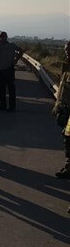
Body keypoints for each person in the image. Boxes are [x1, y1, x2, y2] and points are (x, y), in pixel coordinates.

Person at [0, 31, 24, 111]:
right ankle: (4, 106)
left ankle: (11, 107)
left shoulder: (12, 45)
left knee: (11, 89)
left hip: (9, 69)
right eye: (1, 37)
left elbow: (21, 50)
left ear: (6, 37)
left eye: (3, 37)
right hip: (1, 70)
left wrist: (16, 59)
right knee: (2, 89)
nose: (2, 38)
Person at [52, 40, 70, 179]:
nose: (67, 53)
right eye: (66, 50)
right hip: (65, 111)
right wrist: (57, 106)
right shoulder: (66, 71)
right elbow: (62, 91)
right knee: (67, 138)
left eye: (69, 50)